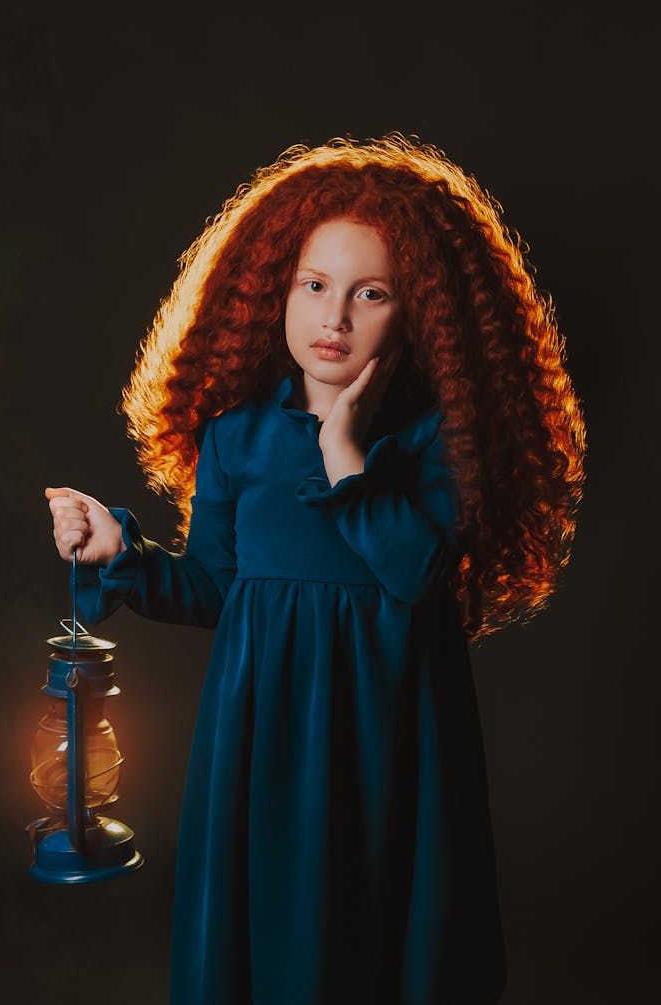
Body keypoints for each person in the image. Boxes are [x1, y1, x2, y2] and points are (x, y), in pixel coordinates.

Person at [46, 133, 586, 1005]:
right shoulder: (233, 436)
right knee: (271, 939)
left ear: (421, 314)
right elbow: (219, 588)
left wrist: (345, 455)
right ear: (275, 290)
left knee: (385, 929)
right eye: (315, 285)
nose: (333, 318)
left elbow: (414, 577)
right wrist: (125, 554)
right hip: (263, 736)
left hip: (393, 735)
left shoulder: (437, 442)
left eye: (371, 294)